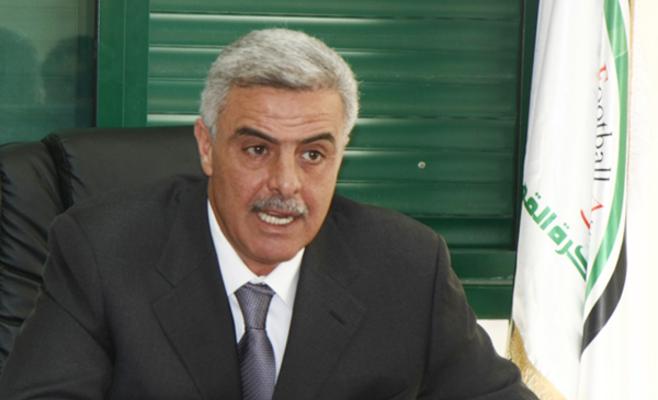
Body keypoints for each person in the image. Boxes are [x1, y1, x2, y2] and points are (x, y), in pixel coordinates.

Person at [0, 29, 537, 399]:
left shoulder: (407, 265)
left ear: (341, 156)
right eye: (257, 150)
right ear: (207, 147)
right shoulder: (103, 250)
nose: (286, 183)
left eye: (313, 155)